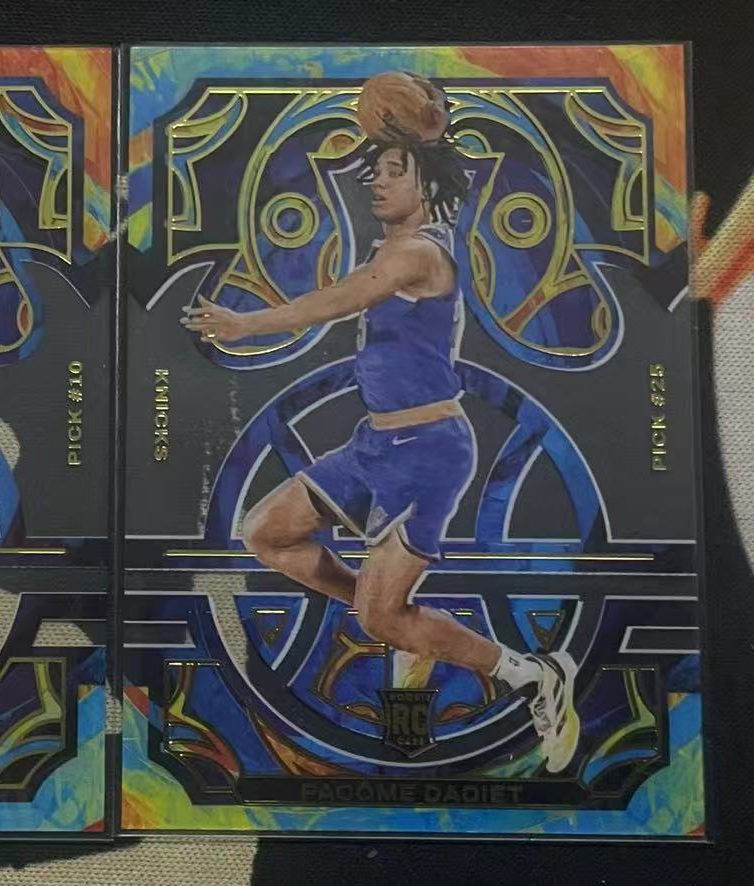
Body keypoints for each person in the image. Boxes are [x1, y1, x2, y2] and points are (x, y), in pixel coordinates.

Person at [182, 129, 580, 773]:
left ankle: (532, 675)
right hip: (375, 443)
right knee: (267, 533)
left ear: (428, 186)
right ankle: (398, 617)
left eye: (395, 170)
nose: (378, 180)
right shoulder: (392, 248)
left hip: (428, 452)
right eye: (377, 170)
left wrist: (245, 323)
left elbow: (342, 299)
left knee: (379, 618)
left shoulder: (420, 253)